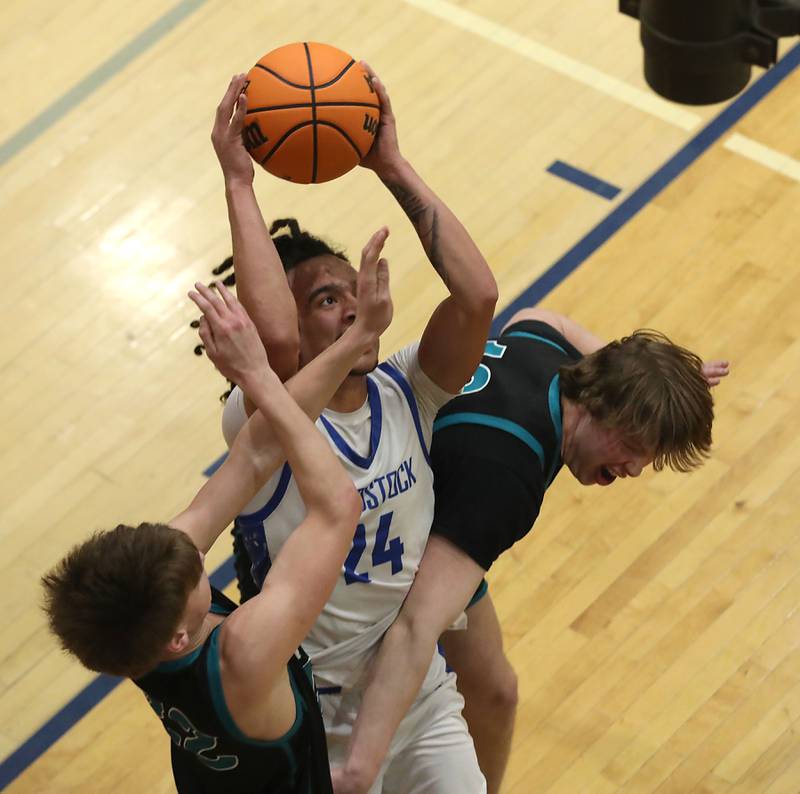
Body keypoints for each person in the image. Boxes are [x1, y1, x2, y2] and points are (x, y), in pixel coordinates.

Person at [40, 76, 394, 794]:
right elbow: (337, 507)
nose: (201, 553)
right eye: (200, 569)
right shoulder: (246, 653)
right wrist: (266, 376)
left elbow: (259, 449)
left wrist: (238, 180)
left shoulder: (140, 621)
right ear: (179, 637)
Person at [214, 67, 498, 793]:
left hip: (415, 697)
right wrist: (240, 185)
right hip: (301, 716)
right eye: (328, 298)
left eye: (359, 289)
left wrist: (390, 164)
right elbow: (274, 344)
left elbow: (478, 295)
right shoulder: (263, 414)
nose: (354, 307)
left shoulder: (409, 387)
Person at [330, 307, 729, 794]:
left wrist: (663, 390)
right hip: (369, 548)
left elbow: (540, 317)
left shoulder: (553, 358)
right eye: (632, 443)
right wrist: (359, 769)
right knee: (377, 719)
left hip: (438, 508)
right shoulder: (508, 475)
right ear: (603, 404)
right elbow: (416, 626)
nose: (634, 468)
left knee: (495, 691)